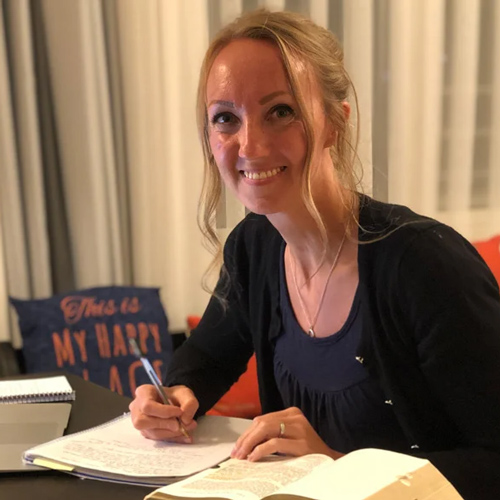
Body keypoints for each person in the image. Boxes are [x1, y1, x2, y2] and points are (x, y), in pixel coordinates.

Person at [129, 9, 500, 500]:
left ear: (334, 124)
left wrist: (335, 465)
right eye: (226, 118)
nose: (250, 144)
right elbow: (208, 355)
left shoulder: (425, 265)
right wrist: (175, 394)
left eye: (280, 111)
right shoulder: (254, 247)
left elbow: (493, 461)